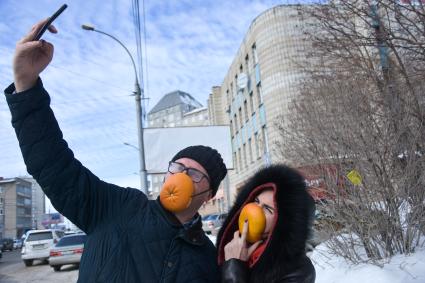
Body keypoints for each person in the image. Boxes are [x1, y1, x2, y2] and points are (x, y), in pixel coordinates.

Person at [4, 19, 227, 282]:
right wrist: (26, 84)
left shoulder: (207, 259)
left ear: (209, 195)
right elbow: (54, 166)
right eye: (176, 167)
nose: (180, 176)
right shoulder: (118, 207)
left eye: (193, 173)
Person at [216, 164, 316, 283]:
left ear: (283, 222)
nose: (254, 210)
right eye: (256, 201)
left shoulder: (299, 271)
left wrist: (235, 267)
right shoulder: (228, 249)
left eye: (267, 209)